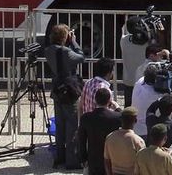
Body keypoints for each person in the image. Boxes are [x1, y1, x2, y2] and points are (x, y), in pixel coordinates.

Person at [44, 23, 85, 169]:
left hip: (57, 89)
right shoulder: (66, 52)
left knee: (60, 125)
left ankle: (59, 157)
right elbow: (81, 57)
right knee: (72, 125)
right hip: (69, 90)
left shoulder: (48, 50)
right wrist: (73, 41)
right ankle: (72, 161)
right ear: (65, 37)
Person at [79, 87, 122, 175]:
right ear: (109, 100)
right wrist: (117, 108)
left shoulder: (86, 118)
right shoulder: (116, 117)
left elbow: (81, 140)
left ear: (95, 100)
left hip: (93, 158)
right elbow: (126, 118)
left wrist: (83, 158)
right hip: (111, 157)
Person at [104, 107, 145, 175]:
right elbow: (142, 165)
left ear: (121, 120)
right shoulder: (138, 141)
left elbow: (106, 161)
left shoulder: (110, 137)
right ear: (135, 120)